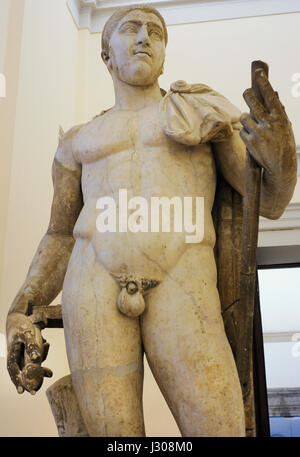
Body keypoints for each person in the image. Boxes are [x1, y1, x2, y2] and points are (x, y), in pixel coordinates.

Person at [6, 5, 297, 437]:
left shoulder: (200, 115)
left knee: (220, 428)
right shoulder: (78, 141)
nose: (145, 38)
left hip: (183, 279)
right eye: (131, 29)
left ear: (164, 55)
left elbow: (269, 203)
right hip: (93, 286)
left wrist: (283, 159)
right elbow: (60, 234)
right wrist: (21, 306)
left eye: (156, 33)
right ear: (106, 55)